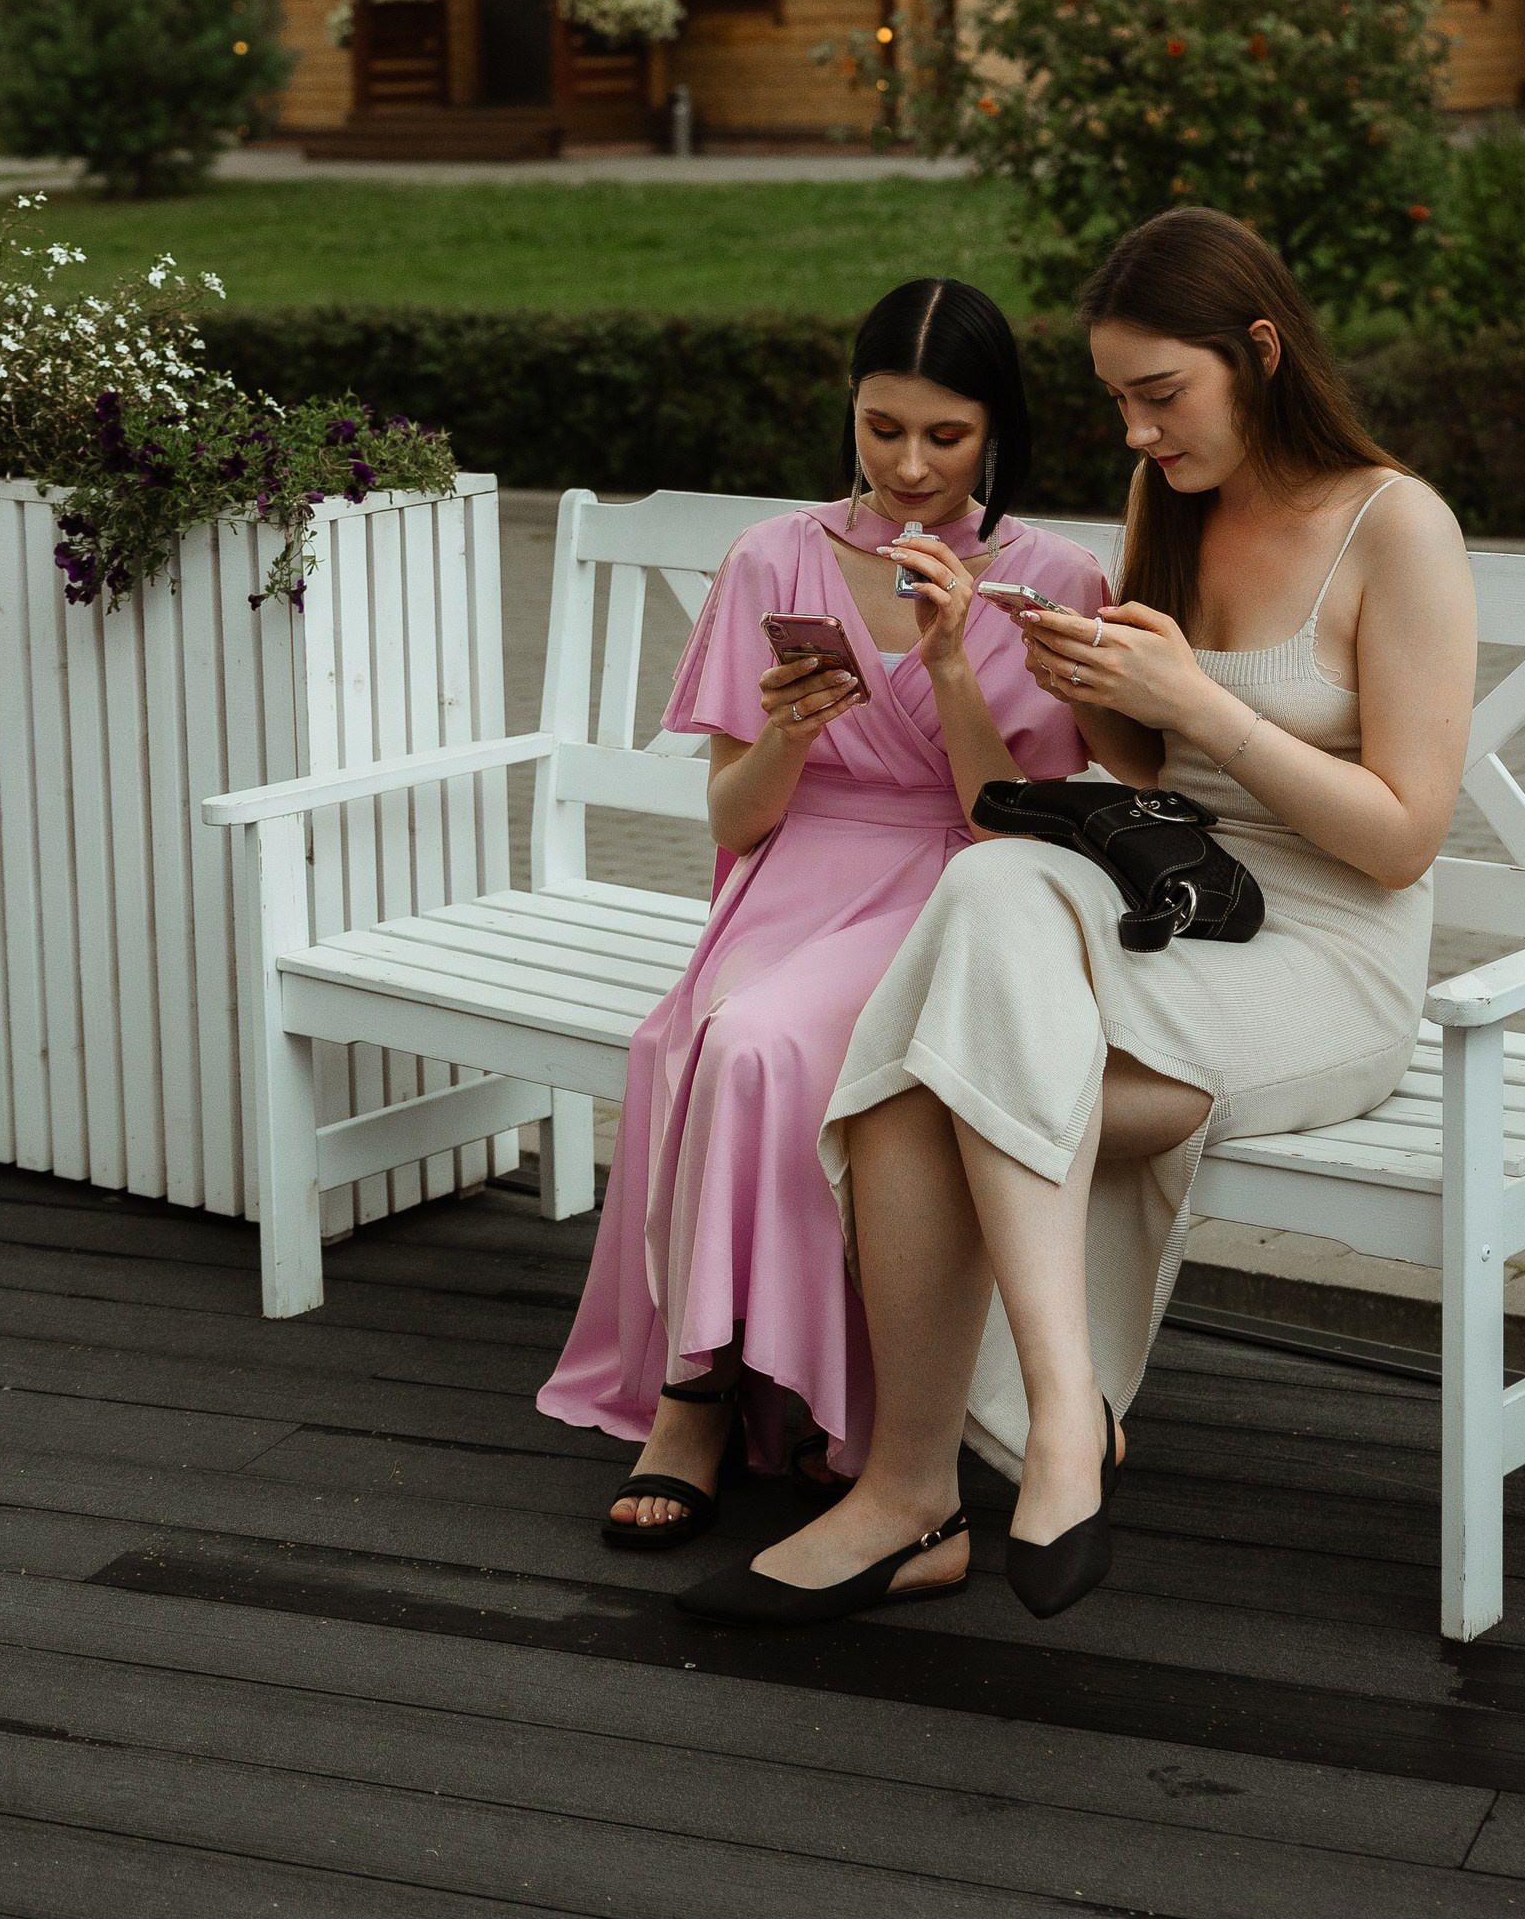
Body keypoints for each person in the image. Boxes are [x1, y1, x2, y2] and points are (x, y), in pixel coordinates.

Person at [678, 205, 1477, 1624]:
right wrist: (1091, 692)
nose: (1137, 435)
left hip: (1322, 954)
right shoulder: (1173, 505)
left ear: (1262, 352)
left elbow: (1403, 841)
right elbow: (1140, 777)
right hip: (1168, 900)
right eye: (1120, 403)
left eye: (1159, 397)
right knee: (989, 880)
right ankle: (1028, 1433)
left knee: (909, 1096)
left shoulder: (1395, 525)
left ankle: (963, 1470)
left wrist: (1202, 709)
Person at [538, 276, 1108, 1548]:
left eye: (943, 436)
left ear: (996, 428)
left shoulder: (1047, 578)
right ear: (847, 413)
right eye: (879, 426)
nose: (907, 466)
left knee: (760, 1043)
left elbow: (1006, 824)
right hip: (791, 876)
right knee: (722, 1035)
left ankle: (780, 1389)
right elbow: (733, 821)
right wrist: (789, 735)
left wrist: (954, 660)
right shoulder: (773, 556)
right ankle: (694, 1396)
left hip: (960, 890)